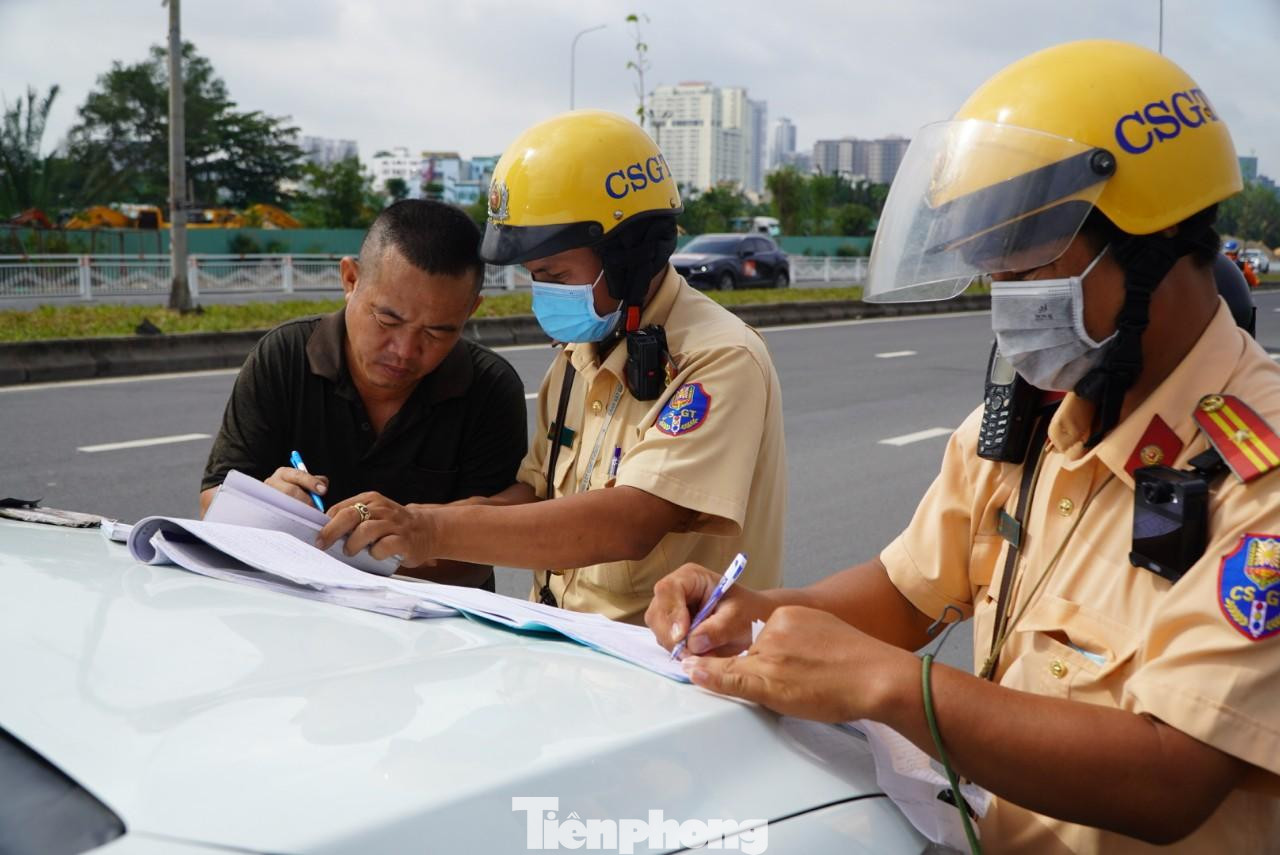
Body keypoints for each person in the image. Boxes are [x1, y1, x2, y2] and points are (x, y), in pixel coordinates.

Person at [645, 41, 1280, 852]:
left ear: (1150, 243)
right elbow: (905, 594)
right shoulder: (1034, 421)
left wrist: (891, 686)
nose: (1007, 301)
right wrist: (755, 613)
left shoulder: (1260, 474)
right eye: (994, 271)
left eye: (1029, 264)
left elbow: (1172, 778)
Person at [317, 110, 787, 623]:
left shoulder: (717, 358)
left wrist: (430, 528)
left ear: (630, 255)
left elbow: (630, 522)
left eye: (554, 273)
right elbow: (533, 496)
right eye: (534, 275)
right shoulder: (579, 355)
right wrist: (396, 526)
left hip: (670, 668)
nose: (543, 292)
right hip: (566, 648)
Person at [201, 200, 527, 590]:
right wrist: (265, 504)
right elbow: (214, 501)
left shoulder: (489, 387)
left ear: (471, 310)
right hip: (293, 611)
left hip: (434, 626)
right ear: (350, 280)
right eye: (388, 319)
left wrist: (400, 541)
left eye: (438, 332)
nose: (405, 351)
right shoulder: (285, 356)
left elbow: (487, 552)